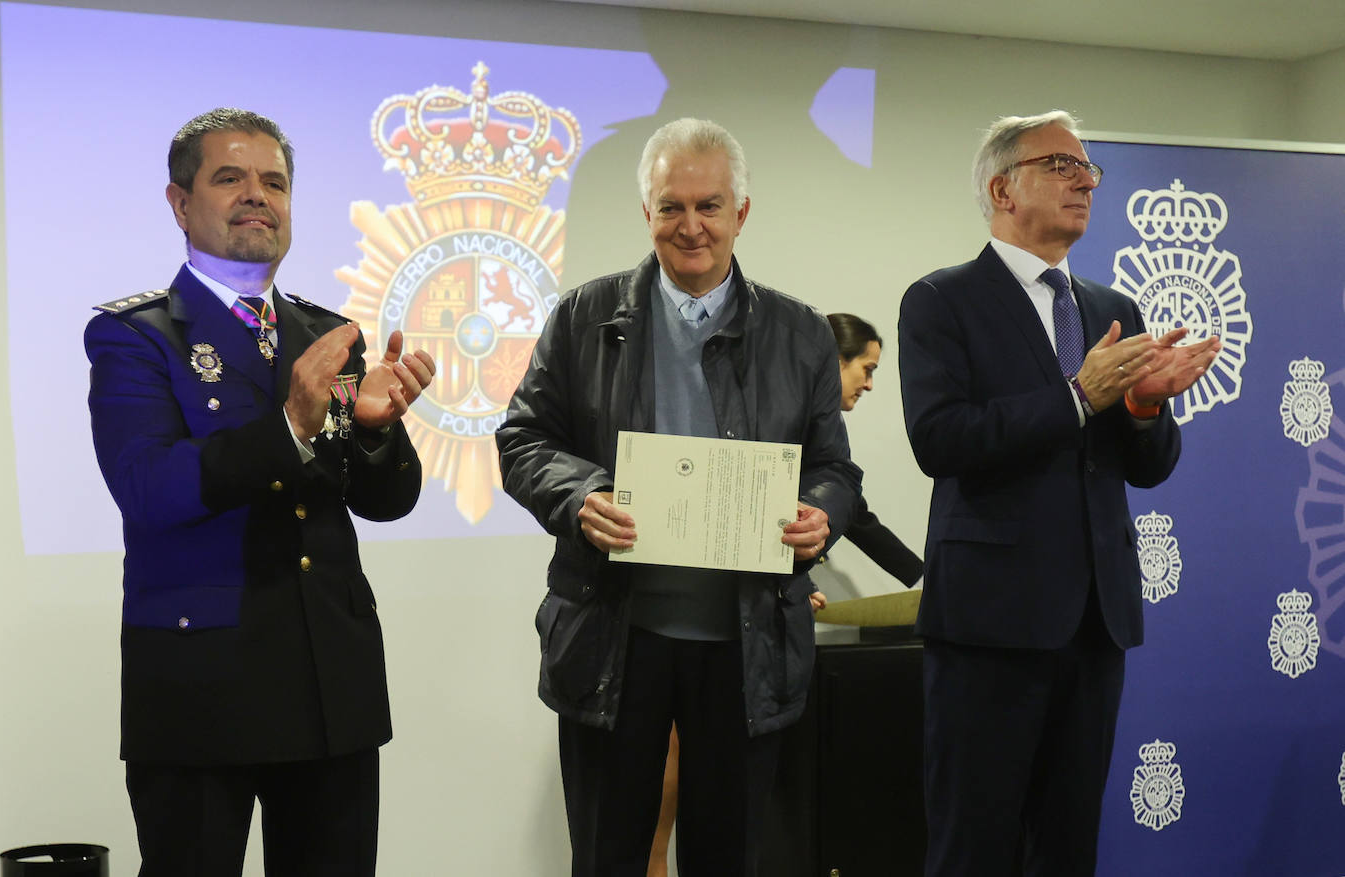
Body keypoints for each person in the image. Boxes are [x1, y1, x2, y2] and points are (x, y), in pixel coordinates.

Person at [496, 117, 860, 877]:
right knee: (608, 853)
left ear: (742, 214)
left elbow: (834, 467)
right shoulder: (581, 317)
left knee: (728, 855)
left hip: (748, 642)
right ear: (647, 213)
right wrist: (582, 494)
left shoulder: (800, 333)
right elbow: (522, 439)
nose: (690, 226)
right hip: (612, 634)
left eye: (709, 205)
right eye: (671, 207)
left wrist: (822, 512)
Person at [85, 107, 436, 876]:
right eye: (230, 177)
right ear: (180, 204)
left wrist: (376, 431)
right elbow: (149, 487)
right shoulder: (137, 336)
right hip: (202, 688)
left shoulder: (326, 333)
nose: (257, 195)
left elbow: (383, 499)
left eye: (274, 182)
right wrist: (289, 423)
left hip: (328, 683)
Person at [897, 110, 1220, 877]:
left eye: (1089, 171)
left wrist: (1144, 408)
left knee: (1069, 847)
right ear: (1003, 188)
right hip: (989, 626)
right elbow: (939, 438)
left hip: (1094, 624)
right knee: (975, 846)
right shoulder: (942, 300)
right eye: (1061, 166)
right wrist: (1078, 397)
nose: (1085, 182)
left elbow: (1145, 467)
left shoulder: (1113, 309)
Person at [824, 312, 924, 590]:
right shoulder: (797, 421)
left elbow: (853, 513)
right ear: (837, 360)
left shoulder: (825, 425)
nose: (869, 384)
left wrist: (919, 575)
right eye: (867, 369)